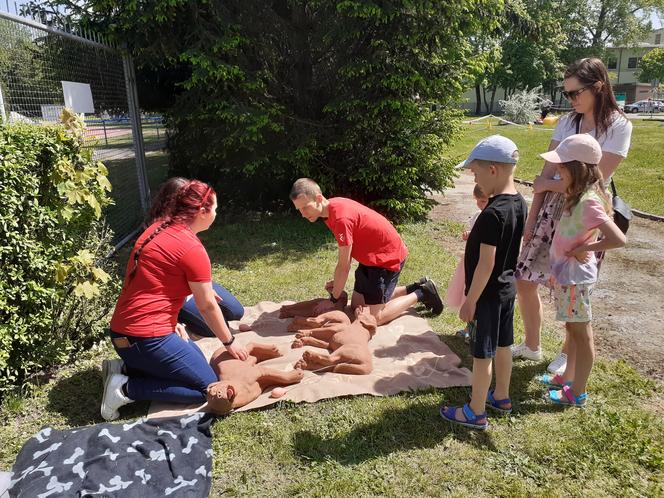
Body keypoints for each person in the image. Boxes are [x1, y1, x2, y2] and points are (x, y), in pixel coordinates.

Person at [513, 58, 632, 374]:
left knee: (573, 292)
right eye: (566, 94)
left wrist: (547, 184)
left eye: (575, 93)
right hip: (551, 210)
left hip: (582, 214)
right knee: (524, 279)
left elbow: (591, 181)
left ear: (599, 87)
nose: (571, 100)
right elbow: (547, 170)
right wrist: (531, 219)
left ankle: (568, 353)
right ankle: (532, 345)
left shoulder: (619, 126)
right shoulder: (569, 122)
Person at [101, 180, 249, 421]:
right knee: (207, 388)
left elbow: (154, 285)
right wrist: (229, 341)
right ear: (202, 211)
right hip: (145, 338)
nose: (216, 214)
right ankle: (125, 389)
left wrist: (172, 323)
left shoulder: (157, 228)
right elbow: (207, 305)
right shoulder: (191, 248)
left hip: (123, 333)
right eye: (215, 209)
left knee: (197, 360)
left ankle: (129, 368)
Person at [440, 135, 527, 430]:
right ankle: (501, 396)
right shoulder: (519, 203)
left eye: (476, 172)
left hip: (487, 295)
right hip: (506, 290)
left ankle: (475, 411)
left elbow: (486, 263)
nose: (474, 178)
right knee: (503, 345)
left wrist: (470, 300)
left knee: (482, 354)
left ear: (493, 170)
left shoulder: (492, 214)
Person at [535, 134, 626, 406]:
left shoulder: (588, 202)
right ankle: (568, 378)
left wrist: (585, 249)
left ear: (577, 169)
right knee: (572, 331)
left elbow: (618, 239)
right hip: (567, 277)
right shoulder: (576, 195)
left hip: (576, 279)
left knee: (581, 334)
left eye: (562, 168)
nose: (558, 172)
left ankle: (578, 391)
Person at [289, 178, 443, 326]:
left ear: (319, 198)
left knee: (372, 318)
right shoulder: (331, 207)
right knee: (357, 307)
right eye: (299, 209)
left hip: (386, 260)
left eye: (305, 207)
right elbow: (346, 258)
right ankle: (415, 287)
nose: (302, 214)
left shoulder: (341, 219)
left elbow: (344, 265)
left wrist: (334, 299)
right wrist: (337, 287)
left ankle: (422, 293)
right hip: (370, 259)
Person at [146, 177, 245, 336]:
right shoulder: (159, 231)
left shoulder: (187, 231)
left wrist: (203, 289)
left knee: (236, 311)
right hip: (173, 294)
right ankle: (181, 315)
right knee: (217, 327)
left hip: (190, 285)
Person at [444, 184, 489, 342]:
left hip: (481, 263)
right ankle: (469, 328)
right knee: (467, 294)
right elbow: (476, 233)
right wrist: (469, 234)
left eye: (483, 201)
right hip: (470, 262)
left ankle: (476, 330)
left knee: (477, 298)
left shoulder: (493, 216)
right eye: (477, 200)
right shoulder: (478, 215)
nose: (479, 204)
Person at [206, 343, 304, 414]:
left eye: (214, 392)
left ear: (214, 385)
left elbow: (262, 371)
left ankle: (254, 349)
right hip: (238, 369)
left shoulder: (246, 378)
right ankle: (256, 356)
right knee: (250, 365)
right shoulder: (236, 400)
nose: (218, 394)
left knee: (246, 357)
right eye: (216, 396)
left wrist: (288, 377)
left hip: (226, 355)